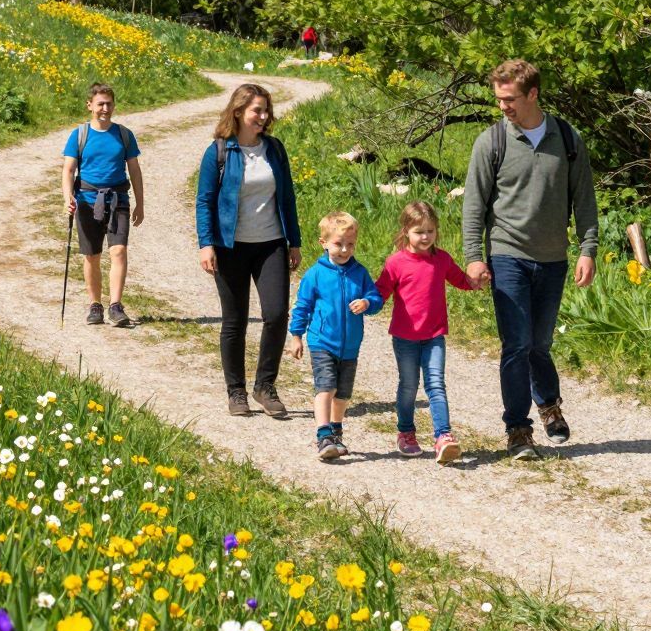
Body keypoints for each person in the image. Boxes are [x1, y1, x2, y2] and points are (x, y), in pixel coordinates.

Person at [460, 57, 598, 459]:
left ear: (533, 94)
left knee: (540, 341)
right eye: (499, 99)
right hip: (507, 254)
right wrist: (474, 257)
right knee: (516, 343)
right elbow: (474, 206)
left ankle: (549, 404)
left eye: (510, 99)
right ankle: (518, 430)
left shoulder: (568, 140)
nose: (503, 106)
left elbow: (584, 201)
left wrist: (588, 249)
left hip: (553, 258)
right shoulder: (492, 141)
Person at [196, 82, 302, 418]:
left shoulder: (275, 149)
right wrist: (206, 243)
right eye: (257, 109)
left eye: (266, 110)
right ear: (239, 111)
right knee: (235, 320)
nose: (264, 116)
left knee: (275, 315)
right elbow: (204, 201)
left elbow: (287, 197)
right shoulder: (219, 151)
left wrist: (294, 241)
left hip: (271, 243)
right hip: (230, 247)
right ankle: (236, 391)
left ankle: (265, 386)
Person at [373, 200, 478, 464]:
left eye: (430, 231)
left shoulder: (441, 259)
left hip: (434, 337)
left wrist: (477, 280)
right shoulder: (396, 262)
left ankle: (443, 436)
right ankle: (406, 433)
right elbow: (380, 292)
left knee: (436, 385)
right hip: (405, 337)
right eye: (419, 231)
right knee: (408, 386)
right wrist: (365, 302)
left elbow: (460, 280)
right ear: (406, 230)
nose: (425, 237)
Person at [286, 211, 380, 461]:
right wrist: (296, 336)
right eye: (338, 244)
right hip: (322, 342)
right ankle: (323, 435)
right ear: (324, 243)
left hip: (350, 346)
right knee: (325, 387)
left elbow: (376, 298)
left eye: (350, 244)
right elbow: (302, 306)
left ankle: (337, 431)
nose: (345, 250)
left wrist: (367, 303)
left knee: (343, 394)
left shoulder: (359, 273)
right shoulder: (315, 274)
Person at [62, 83, 144, 328]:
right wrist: (68, 197)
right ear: (90, 106)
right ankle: (95, 304)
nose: (105, 108)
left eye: (109, 103)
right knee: (92, 255)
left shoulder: (124, 134)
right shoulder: (79, 135)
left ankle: (116, 305)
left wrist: (140, 203)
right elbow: (68, 170)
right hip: (87, 202)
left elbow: (135, 171)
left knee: (118, 251)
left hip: (118, 199)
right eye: (100, 104)